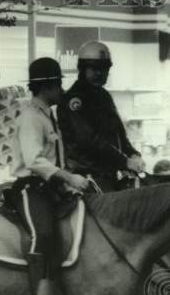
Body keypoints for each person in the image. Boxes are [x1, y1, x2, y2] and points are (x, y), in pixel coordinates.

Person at [10, 57, 93, 295]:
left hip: (54, 186)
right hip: (32, 187)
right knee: (43, 233)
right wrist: (69, 177)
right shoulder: (31, 118)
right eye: (58, 85)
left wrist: (72, 175)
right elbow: (34, 160)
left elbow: (54, 155)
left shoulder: (48, 116)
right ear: (46, 87)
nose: (61, 90)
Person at [59, 40, 146, 193]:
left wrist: (133, 154)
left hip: (109, 173)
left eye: (104, 69)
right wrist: (125, 161)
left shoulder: (104, 96)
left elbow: (119, 134)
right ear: (82, 69)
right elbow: (89, 141)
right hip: (86, 177)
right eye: (95, 69)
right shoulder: (74, 101)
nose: (100, 73)